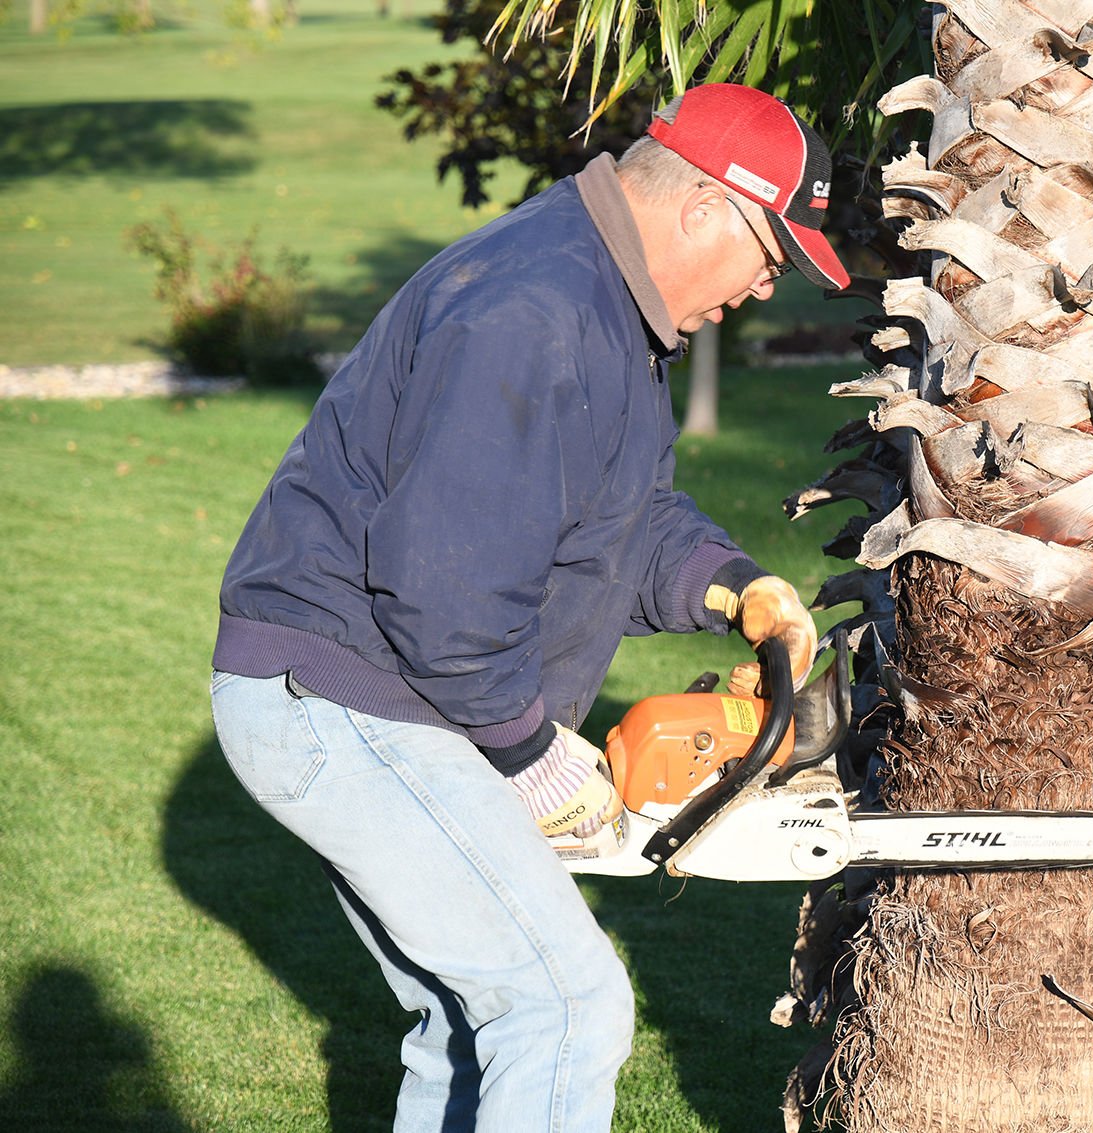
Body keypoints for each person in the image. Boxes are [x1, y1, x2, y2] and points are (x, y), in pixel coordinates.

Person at [208, 83, 849, 1132]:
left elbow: (611, 520)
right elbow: (446, 591)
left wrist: (738, 583)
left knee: (471, 1022)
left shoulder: (595, 301)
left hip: (363, 693)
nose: (764, 289)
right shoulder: (538, 310)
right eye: (770, 256)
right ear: (702, 209)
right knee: (562, 1005)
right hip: (351, 699)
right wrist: (529, 756)